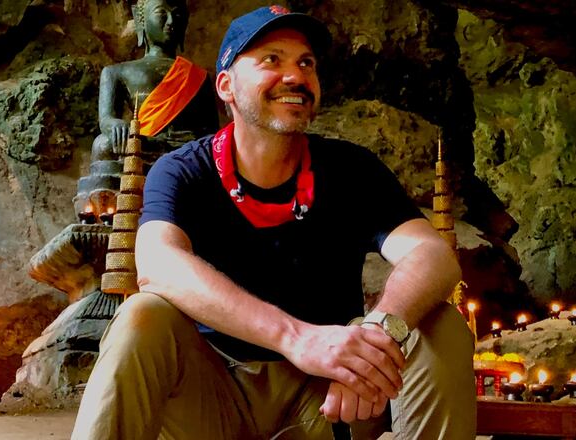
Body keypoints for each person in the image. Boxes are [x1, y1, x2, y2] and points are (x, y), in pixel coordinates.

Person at [71, 5, 476, 440]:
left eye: (306, 63)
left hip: (328, 401)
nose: (295, 76)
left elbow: (433, 254)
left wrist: (379, 333)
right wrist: (298, 340)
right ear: (225, 85)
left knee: (440, 324)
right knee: (142, 315)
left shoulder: (351, 169)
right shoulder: (182, 170)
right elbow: (157, 264)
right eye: (271, 60)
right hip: (209, 399)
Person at [76, 0, 218, 214]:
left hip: (182, 148)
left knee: (209, 153)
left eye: (177, 16)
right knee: (103, 144)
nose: (171, 22)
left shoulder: (199, 77)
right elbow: (106, 119)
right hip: (142, 147)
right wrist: (116, 125)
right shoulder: (116, 72)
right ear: (141, 19)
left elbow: (211, 132)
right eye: (162, 14)